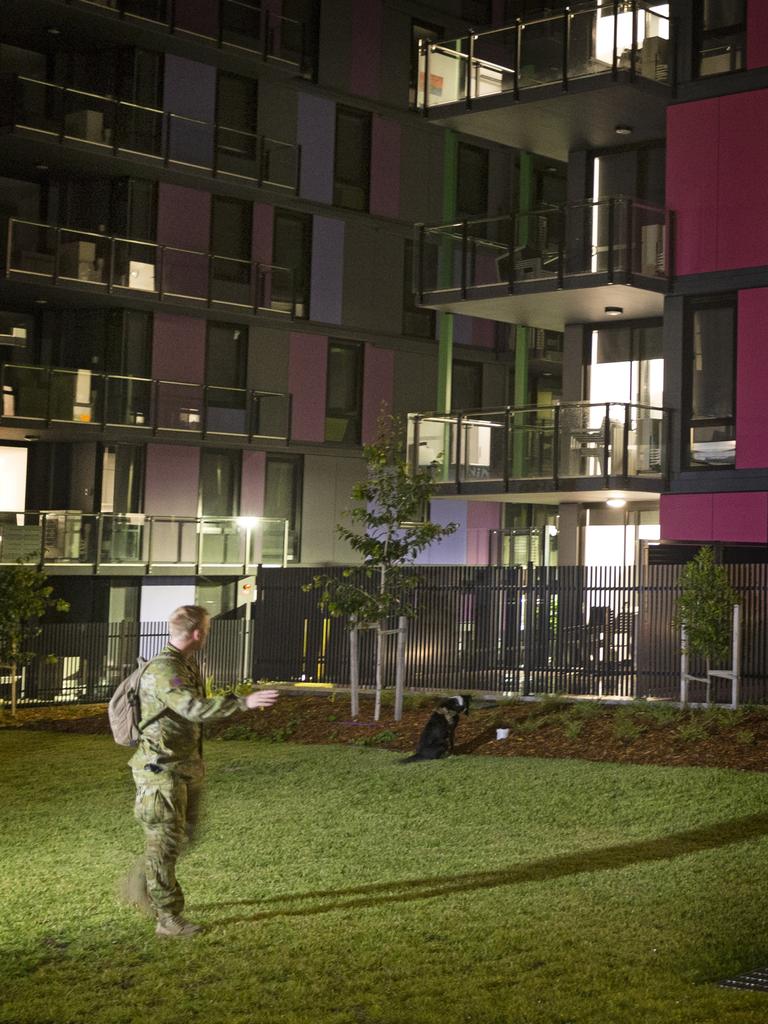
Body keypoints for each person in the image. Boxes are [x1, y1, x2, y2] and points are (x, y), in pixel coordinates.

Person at [119, 604, 279, 938]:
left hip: (183, 768)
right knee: (164, 842)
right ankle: (168, 919)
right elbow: (192, 708)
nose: (207, 634)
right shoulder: (165, 670)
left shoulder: (183, 664)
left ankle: (145, 878)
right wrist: (243, 702)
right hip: (160, 772)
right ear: (197, 633)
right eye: (206, 629)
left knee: (182, 835)